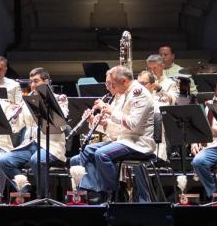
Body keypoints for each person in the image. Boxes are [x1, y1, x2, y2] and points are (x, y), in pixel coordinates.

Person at [67, 65, 156, 203]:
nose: (110, 87)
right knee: (87, 150)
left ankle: (115, 193)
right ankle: (95, 192)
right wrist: (100, 123)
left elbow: (132, 124)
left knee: (102, 154)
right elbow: (118, 128)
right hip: (123, 139)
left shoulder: (140, 94)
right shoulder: (124, 94)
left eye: (112, 83)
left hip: (138, 143)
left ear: (125, 81)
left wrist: (110, 110)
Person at [0, 68, 69, 196]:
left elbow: (61, 124)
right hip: (30, 145)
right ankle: (25, 190)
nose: (32, 85)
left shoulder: (59, 99)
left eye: (36, 81)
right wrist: (15, 115)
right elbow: (17, 127)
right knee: (4, 161)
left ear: (46, 82)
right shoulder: (27, 101)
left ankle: (44, 196)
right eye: (31, 82)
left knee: (37, 160)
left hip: (51, 146)